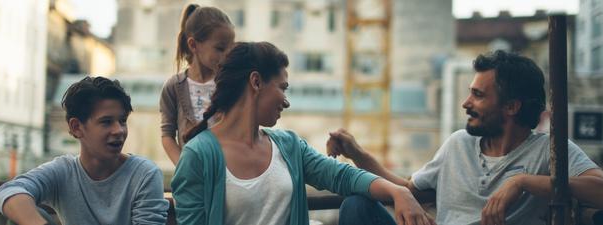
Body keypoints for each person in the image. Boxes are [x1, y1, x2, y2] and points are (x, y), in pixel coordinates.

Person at [328, 50, 603, 225]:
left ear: (511, 106)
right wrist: (358, 155)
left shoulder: (548, 151)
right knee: (356, 205)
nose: (465, 103)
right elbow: (409, 191)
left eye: (478, 95)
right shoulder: (458, 144)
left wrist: (522, 182)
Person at [170, 42, 434, 225]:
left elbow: (342, 176)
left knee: (357, 205)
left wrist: (400, 193)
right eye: (283, 88)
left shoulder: (289, 146)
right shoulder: (198, 156)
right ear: (256, 82)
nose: (286, 101)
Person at [0, 76, 169, 224]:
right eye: (106, 122)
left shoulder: (144, 173)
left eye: (122, 120)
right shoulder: (64, 171)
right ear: (76, 127)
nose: (119, 130)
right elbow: (9, 190)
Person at [160, 4, 235, 165]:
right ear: (193, 45)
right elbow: (167, 135)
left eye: (231, 49)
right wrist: (184, 167)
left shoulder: (231, 84)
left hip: (227, 172)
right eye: (220, 49)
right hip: (192, 179)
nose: (227, 56)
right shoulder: (173, 87)